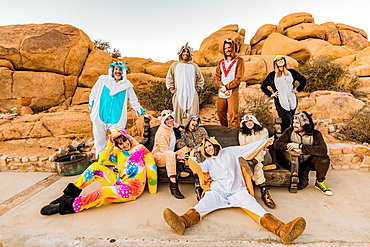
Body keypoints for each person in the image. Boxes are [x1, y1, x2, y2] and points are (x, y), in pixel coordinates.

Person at [163, 137, 306, 245]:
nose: (208, 149)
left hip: (238, 191)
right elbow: (197, 169)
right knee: (201, 206)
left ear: (215, 144)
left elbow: (248, 148)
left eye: (210, 146)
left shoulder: (230, 151)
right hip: (217, 192)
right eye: (205, 148)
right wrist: (193, 156)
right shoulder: (208, 162)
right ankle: (182, 222)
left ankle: (282, 230)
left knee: (258, 210)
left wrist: (264, 142)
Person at [40, 129, 157, 215]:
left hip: (131, 189)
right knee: (95, 167)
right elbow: (102, 161)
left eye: (125, 141)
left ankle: (68, 206)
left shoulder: (140, 149)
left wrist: (153, 190)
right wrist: (110, 145)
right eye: (120, 144)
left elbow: (152, 168)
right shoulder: (118, 153)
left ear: (128, 138)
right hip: (118, 180)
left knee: (103, 192)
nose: (124, 145)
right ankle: (68, 195)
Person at [89, 61, 147, 157]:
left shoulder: (127, 86)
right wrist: (91, 101)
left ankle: (120, 159)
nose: (118, 72)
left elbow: (133, 100)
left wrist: (138, 109)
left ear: (123, 72)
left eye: (120, 70)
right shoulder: (103, 80)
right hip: (100, 115)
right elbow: (93, 93)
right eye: (116, 69)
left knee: (120, 139)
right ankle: (101, 159)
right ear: (112, 70)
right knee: (99, 139)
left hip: (116, 118)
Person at [274, 111, 333, 196]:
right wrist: (290, 146)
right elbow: (277, 144)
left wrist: (301, 147)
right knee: (300, 185)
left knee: (324, 159)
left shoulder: (315, 134)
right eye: (293, 122)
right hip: (297, 162)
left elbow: (323, 150)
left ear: (304, 123)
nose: (294, 125)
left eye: (297, 123)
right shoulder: (290, 131)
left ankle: (320, 182)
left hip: (310, 161)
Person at [261, 55, 306, 133]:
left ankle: (288, 137)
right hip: (280, 100)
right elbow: (263, 86)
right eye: (278, 61)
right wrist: (271, 94)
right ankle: (284, 138)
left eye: (282, 59)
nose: (280, 61)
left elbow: (303, 80)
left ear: (285, 61)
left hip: (292, 99)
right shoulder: (272, 75)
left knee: (290, 119)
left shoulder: (291, 72)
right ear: (275, 63)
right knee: (287, 120)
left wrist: (297, 89)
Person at [238, 113, 276, 208]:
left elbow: (263, 146)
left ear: (254, 121)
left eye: (250, 121)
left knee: (258, 158)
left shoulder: (263, 131)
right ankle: (264, 191)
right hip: (249, 157)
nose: (249, 123)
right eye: (246, 122)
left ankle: (252, 164)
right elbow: (244, 148)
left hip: (264, 156)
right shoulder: (242, 134)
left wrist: (255, 155)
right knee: (257, 165)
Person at [152, 110, 188, 199]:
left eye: (171, 118)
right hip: (159, 156)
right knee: (170, 154)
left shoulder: (170, 126)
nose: (170, 120)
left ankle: (180, 165)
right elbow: (164, 151)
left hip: (170, 155)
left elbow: (173, 123)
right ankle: (173, 185)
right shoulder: (162, 133)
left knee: (186, 149)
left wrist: (179, 127)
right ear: (163, 121)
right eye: (167, 119)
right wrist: (178, 156)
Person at [166, 42, 204, 125]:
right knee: (177, 115)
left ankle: (192, 134)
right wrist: (171, 88)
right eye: (184, 51)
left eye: (187, 52)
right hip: (179, 93)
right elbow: (169, 77)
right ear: (181, 53)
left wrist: (198, 87)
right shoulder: (175, 65)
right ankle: (178, 134)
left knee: (193, 115)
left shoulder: (194, 66)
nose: (186, 53)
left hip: (192, 93)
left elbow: (200, 78)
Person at [176, 115, 209, 200]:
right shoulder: (184, 133)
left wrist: (199, 148)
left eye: (197, 121)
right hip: (191, 154)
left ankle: (201, 185)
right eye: (193, 121)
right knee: (193, 159)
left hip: (203, 151)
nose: (195, 123)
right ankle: (198, 185)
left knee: (200, 158)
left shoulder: (201, 130)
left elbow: (206, 141)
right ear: (189, 121)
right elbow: (181, 145)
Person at [215, 38, 245, 128]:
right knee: (221, 113)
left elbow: (239, 77)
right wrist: (221, 86)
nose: (227, 50)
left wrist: (227, 87)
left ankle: (234, 133)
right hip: (222, 90)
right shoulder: (221, 62)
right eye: (225, 48)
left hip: (233, 90)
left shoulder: (239, 61)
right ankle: (224, 131)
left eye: (229, 47)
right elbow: (217, 76)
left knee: (233, 115)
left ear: (233, 48)